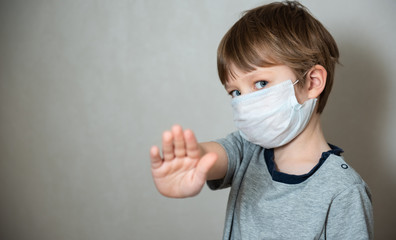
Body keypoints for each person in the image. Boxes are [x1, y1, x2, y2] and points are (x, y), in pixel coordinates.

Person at [149, 1, 374, 239]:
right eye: (235, 92)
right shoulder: (247, 150)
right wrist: (189, 162)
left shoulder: (344, 191)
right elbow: (210, 157)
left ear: (312, 82)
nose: (245, 103)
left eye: (261, 83)